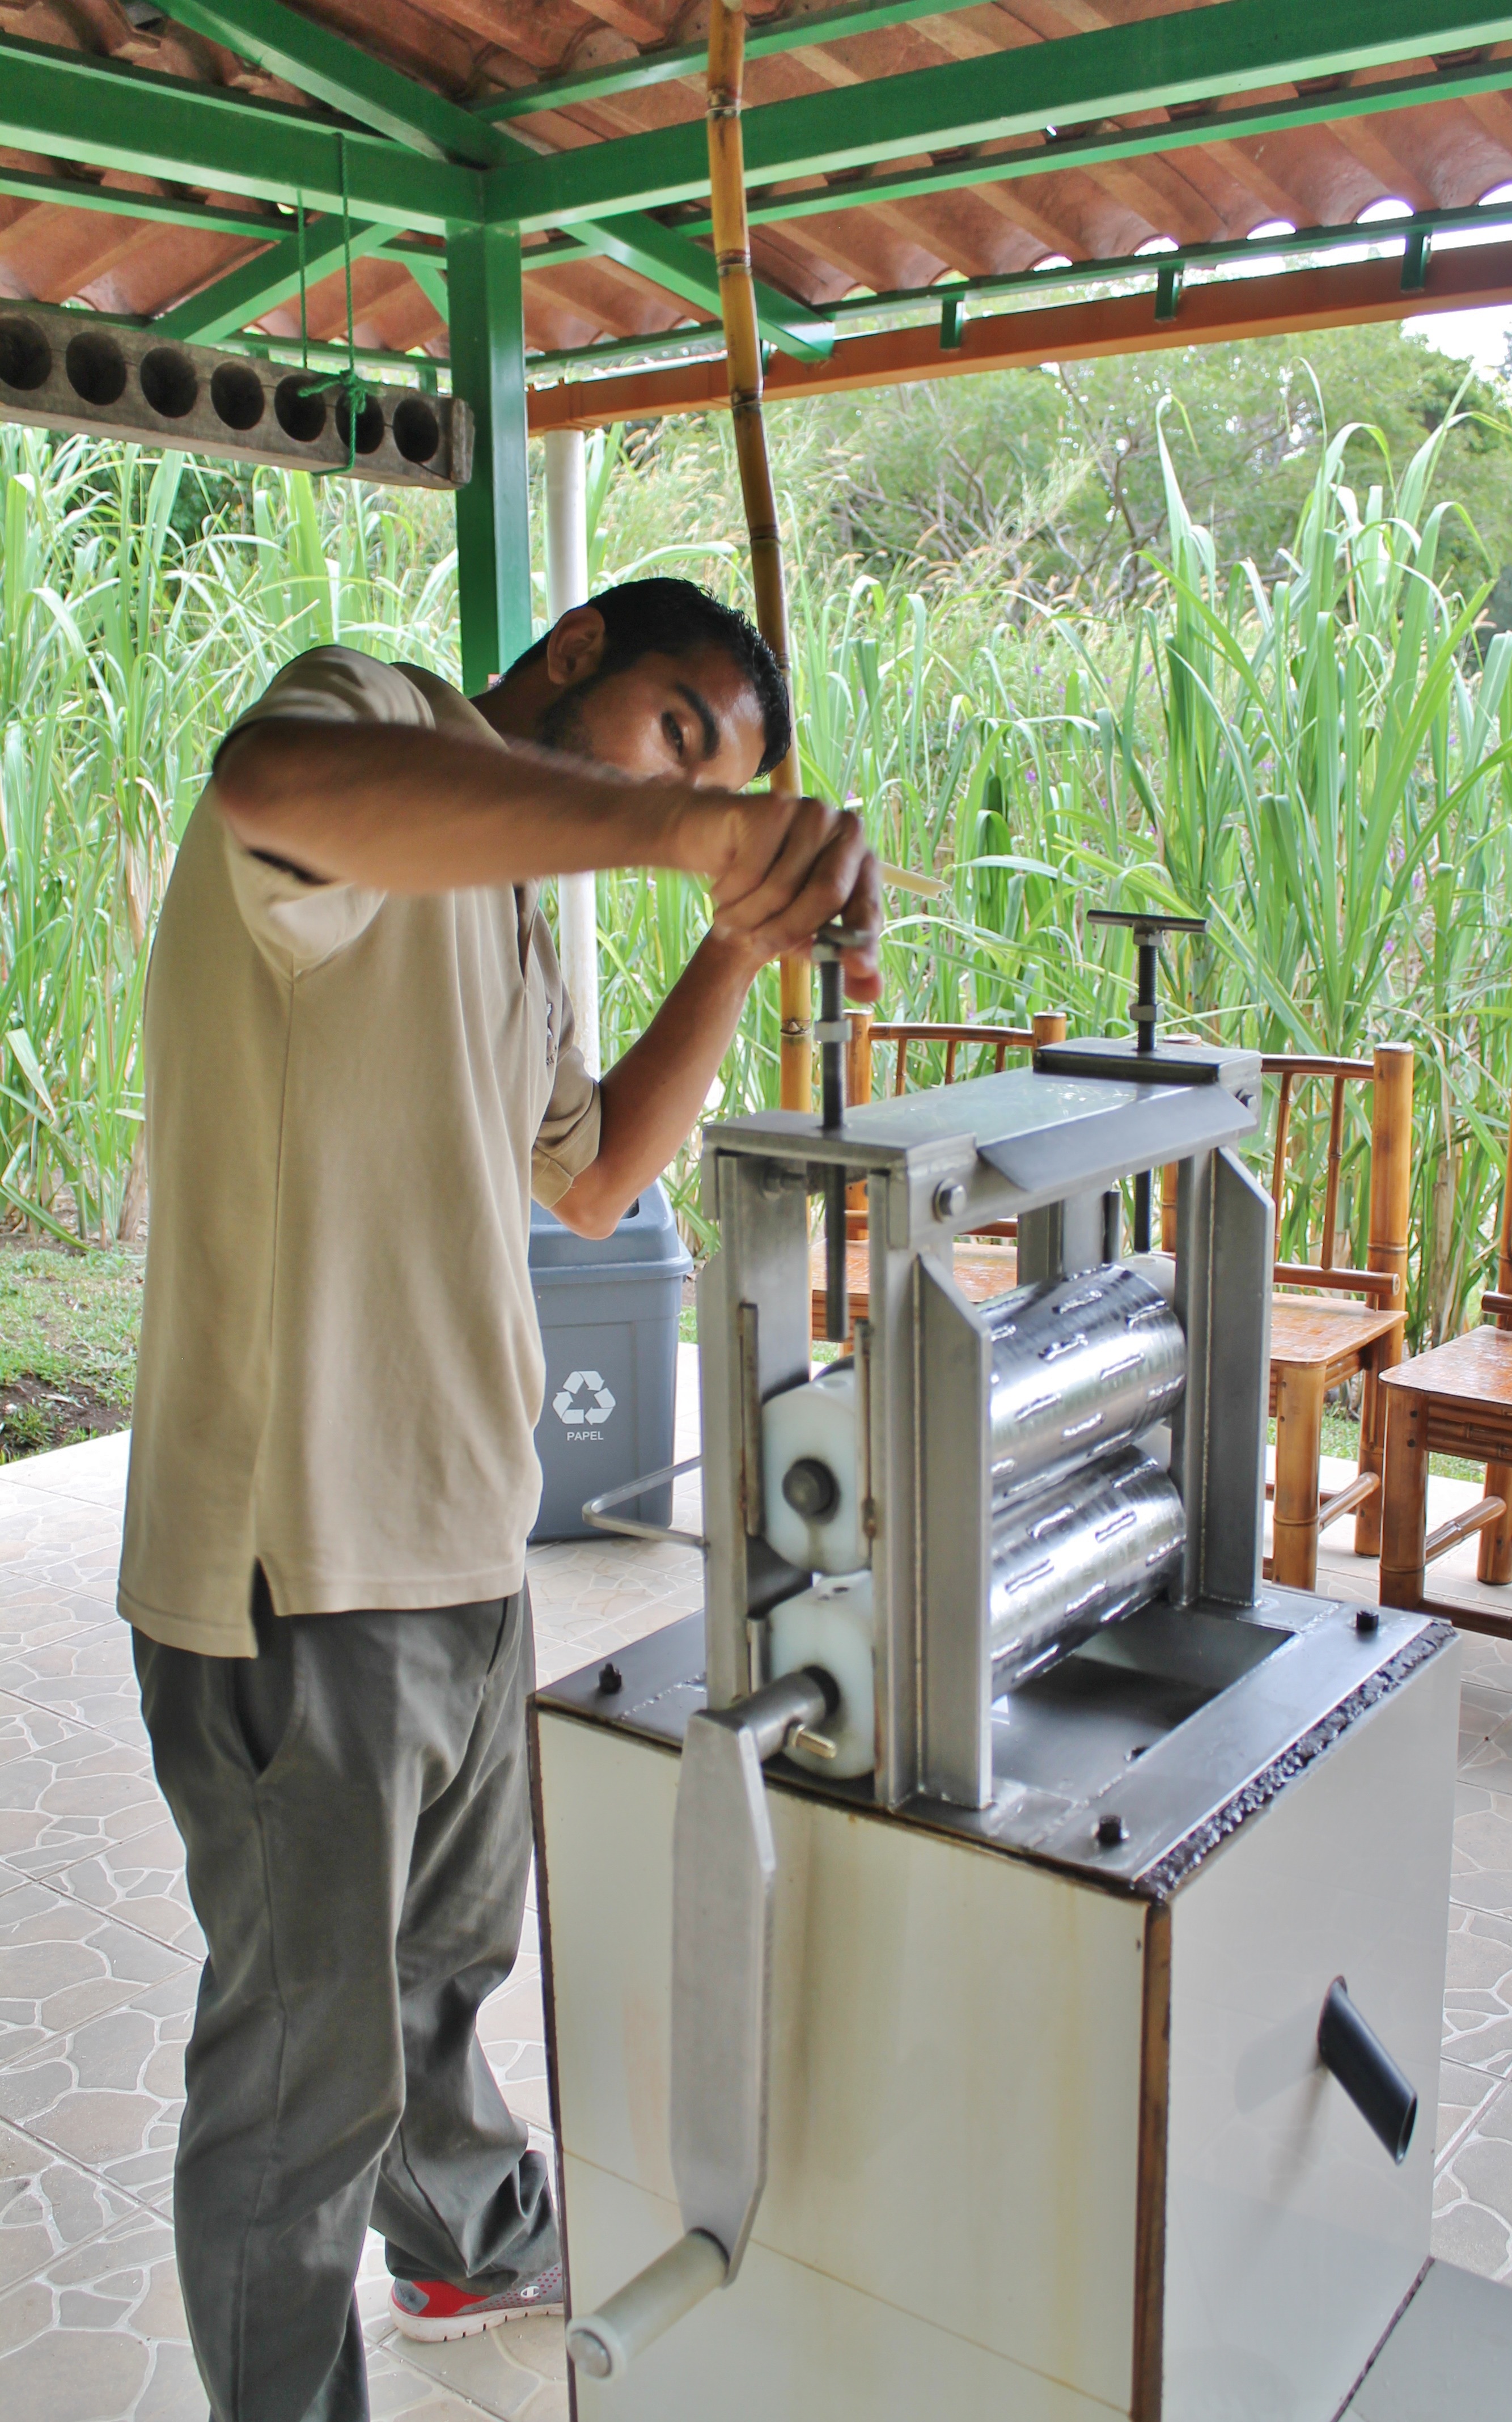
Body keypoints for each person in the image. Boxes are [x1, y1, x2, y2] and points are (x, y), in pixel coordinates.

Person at [116, 576, 880, 2422]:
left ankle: (464, 2241)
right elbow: (269, 785)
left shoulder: (524, 905)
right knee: (302, 2091)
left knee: (443, 1977)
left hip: (463, 1529)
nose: (684, 787)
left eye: (717, 779)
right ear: (575, 652)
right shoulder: (369, 727)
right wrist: (688, 835)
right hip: (302, 1548)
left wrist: (736, 942)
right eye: (677, 731)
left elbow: (596, 1174)